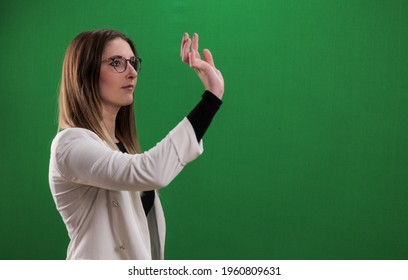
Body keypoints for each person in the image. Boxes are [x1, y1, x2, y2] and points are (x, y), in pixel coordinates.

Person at [48, 29, 224, 260]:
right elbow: (151, 170)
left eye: (132, 62)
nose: (131, 72)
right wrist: (211, 98)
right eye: (116, 63)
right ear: (85, 73)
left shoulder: (121, 148)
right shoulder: (69, 144)